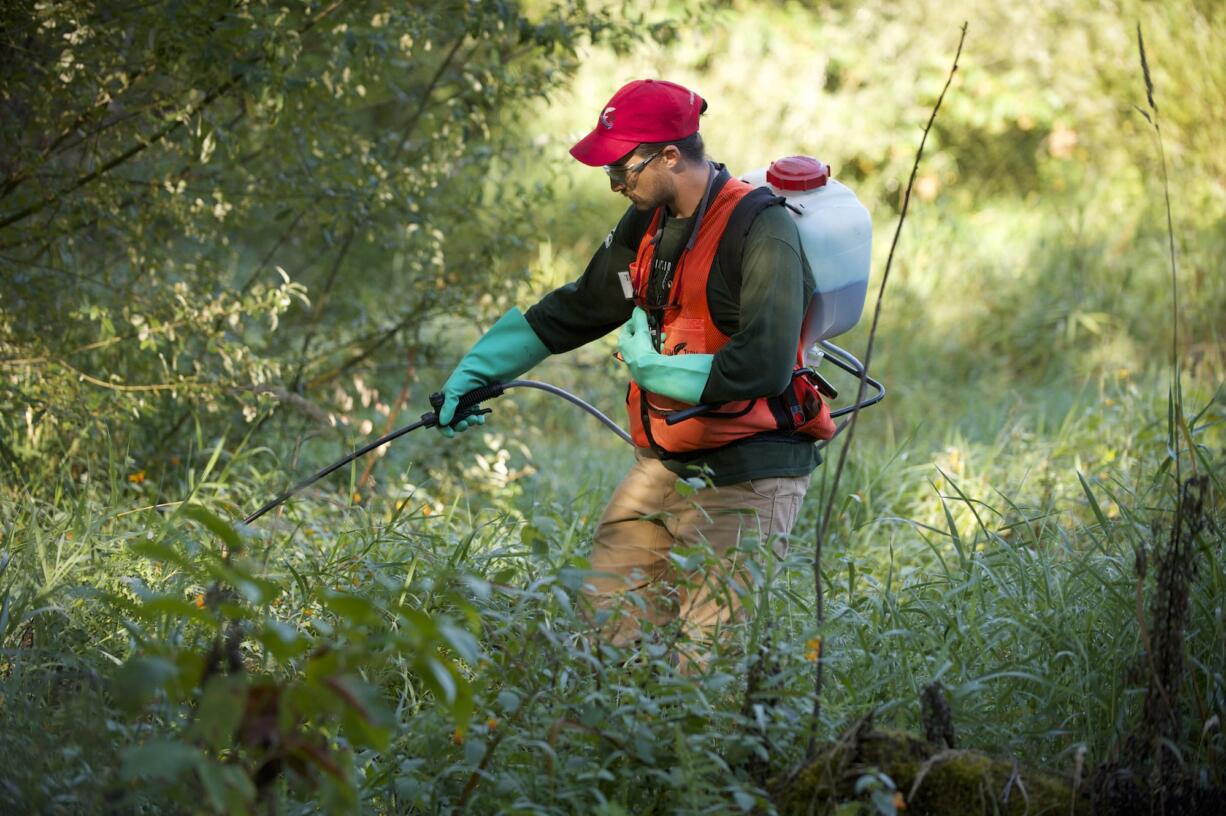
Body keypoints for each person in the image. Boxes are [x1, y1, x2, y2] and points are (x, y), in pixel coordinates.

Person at [435, 79, 831, 670]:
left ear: (671, 154)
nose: (616, 184)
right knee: (603, 638)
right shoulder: (646, 220)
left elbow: (766, 362)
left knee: (704, 666)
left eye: (623, 168)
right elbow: (584, 304)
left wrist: (653, 370)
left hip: (749, 476)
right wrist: (477, 370)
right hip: (666, 465)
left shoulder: (762, 229)